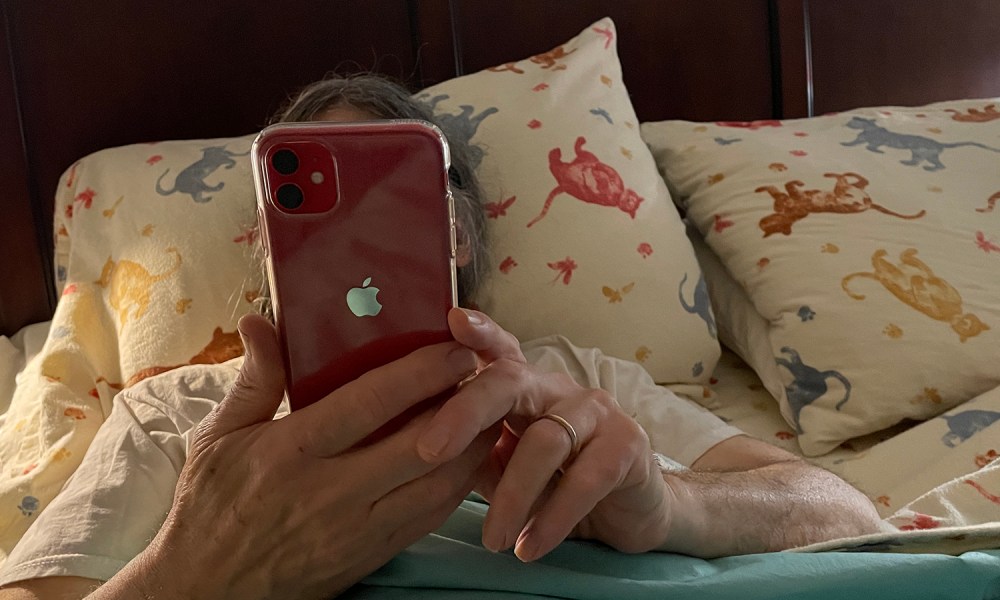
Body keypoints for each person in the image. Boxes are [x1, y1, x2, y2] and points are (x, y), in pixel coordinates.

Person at [0, 74, 882, 600]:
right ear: (269, 245)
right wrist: (194, 574)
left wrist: (674, 509)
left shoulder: (576, 380)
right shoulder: (177, 413)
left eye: (397, 193)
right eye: (310, 214)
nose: (355, 241)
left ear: (458, 232)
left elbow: (849, 515)